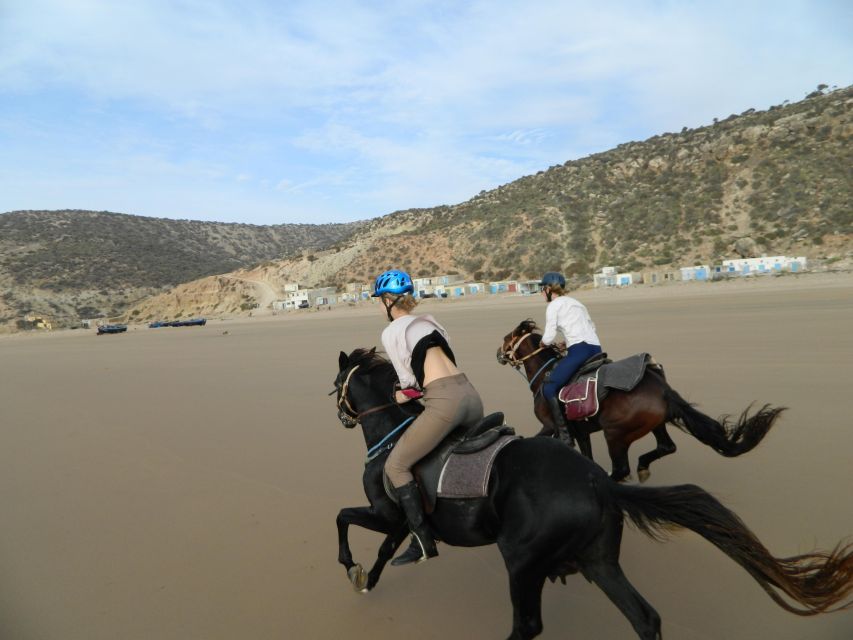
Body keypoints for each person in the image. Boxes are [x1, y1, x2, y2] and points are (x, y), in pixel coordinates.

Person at [372, 269, 484, 565]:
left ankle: (422, 539)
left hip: (446, 402)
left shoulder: (392, 331)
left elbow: (410, 385)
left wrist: (398, 396)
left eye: (378, 300)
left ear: (387, 300)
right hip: (472, 396)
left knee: (396, 465)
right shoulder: (432, 322)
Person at [538, 271, 603, 443]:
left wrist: (543, 343)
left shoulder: (553, 305)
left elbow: (549, 335)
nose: (541, 293)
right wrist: (566, 344)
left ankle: (565, 435)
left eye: (542, 289)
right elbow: (590, 327)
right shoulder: (577, 303)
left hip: (579, 351)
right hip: (596, 349)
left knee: (549, 387)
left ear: (549, 288)